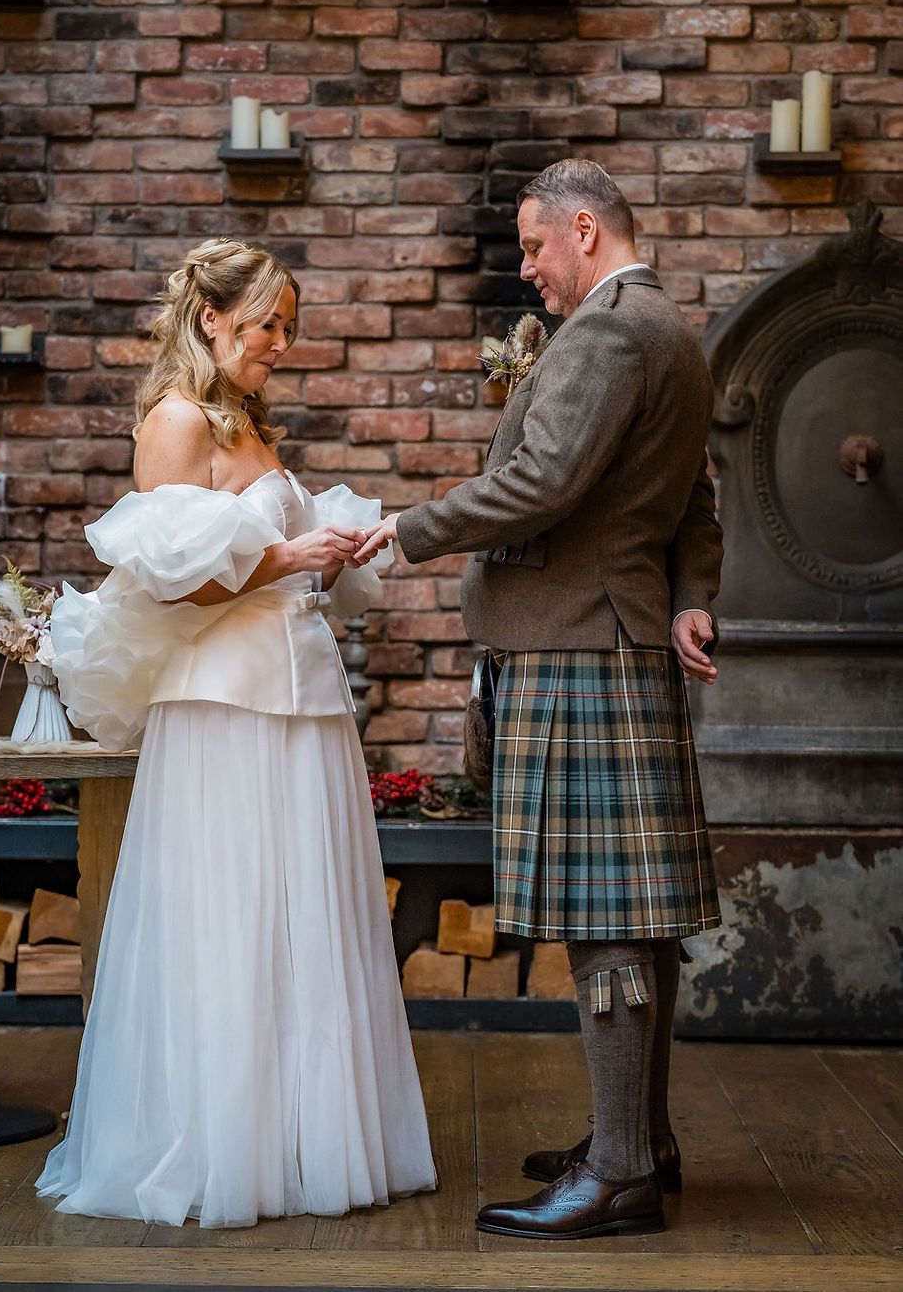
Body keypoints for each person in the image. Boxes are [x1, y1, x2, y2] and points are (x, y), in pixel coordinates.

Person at [355, 159, 723, 1241]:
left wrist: (408, 527)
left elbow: (542, 482)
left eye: (531, 248)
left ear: (582, 230)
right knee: (638, 921)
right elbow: (690, 504)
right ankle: (635, 1141)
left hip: (575, 654)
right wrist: (689, 598)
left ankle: (616, 1178)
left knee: (603, 919)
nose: (526, 273)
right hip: (611, 638)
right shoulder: (672, 329)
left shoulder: (609, 332)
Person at [36, 239, 436, 1227]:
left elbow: (263, 560)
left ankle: (301, 1144)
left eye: (289, 327)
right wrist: (285, 555)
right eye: (266, 325)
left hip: (299, 701)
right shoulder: (175, 422)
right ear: (211, 319)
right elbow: (165, 578)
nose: (282, 343)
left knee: (304, 919)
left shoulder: (250, 426)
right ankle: (217, 1145)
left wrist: (327, 560)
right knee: (230, 919)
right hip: (224, 707)